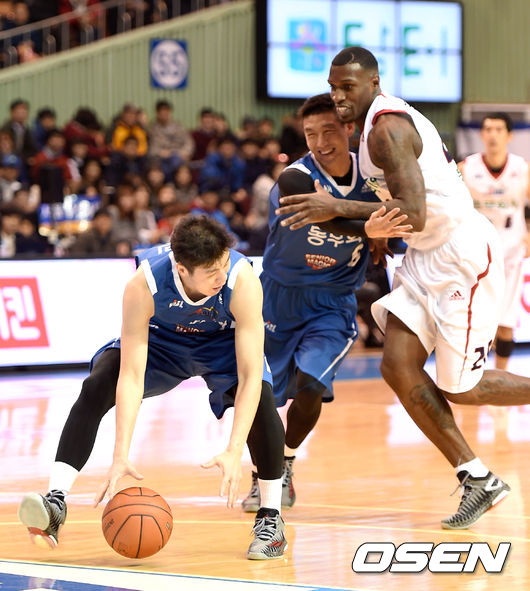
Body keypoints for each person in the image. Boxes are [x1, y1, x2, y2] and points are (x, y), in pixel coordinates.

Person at [276, 46, 530, 530]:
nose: (338, 96)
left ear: (374, 83)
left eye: (347, 87)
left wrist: (337, 206)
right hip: (422, 255)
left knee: (463, 389)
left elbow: (412, 212)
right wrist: (373, 230)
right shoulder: (368, 128)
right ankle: (476, 477)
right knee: (396, 364)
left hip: (458, 258)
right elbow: (403, 212)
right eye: (333, 87)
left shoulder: (387, 128)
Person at [18, 215, 288, 560]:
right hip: (163, 343)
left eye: (223, 264)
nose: (221, 276)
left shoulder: (242, 279)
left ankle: (271, 518)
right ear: (182, 269)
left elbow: (249, 375)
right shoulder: (143, 284)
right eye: (211, 272)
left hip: (222, 344)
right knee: (100, 382)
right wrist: (120, 454)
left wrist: (234, 450)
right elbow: (132, 375)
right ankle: (56, 501)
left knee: (262, 398)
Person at [242, 93, 412, 512]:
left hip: (332, 302)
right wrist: (370, 228)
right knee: (256, 395)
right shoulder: (294, 178)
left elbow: (398, 224)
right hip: (277, 299)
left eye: (329, 130)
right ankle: (262, 471)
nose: (320, 142)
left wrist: (379, 234)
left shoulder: (373, 177)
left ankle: (282, 463)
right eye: (310, 134)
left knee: (312, 385)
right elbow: (330, 219)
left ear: (349, 129)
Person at [458, 113, 530, 370]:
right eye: (488, 129)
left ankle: (502, 373)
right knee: (476, 318)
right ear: (481, 134)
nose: (493, 134)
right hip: (476, 250)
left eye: (499, 129)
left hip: (511, 250)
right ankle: (471, 374)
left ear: (509, 135)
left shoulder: (522, 168)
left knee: (506, 319)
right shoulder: (465, 168)